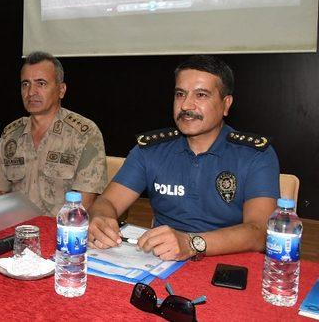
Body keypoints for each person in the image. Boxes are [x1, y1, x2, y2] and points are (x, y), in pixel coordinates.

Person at [88, 55, 279, 261]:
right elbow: (107, 201)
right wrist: (100, 219)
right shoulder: (151, 150)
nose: (186, 105)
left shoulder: (255, 154)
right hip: (161, 263)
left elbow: (260, 232)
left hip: (229, 264)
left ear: (226, 105)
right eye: (180, 94)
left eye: (201, 95)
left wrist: (191, 243)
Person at [0, 51, 108, 217]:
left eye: (41, 84)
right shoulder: (11, 134)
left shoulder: (84, 134)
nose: (31, 92)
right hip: (14, 230)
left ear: (61, 90)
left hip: (60, 234)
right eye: (25, 84)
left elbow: (83, 206)